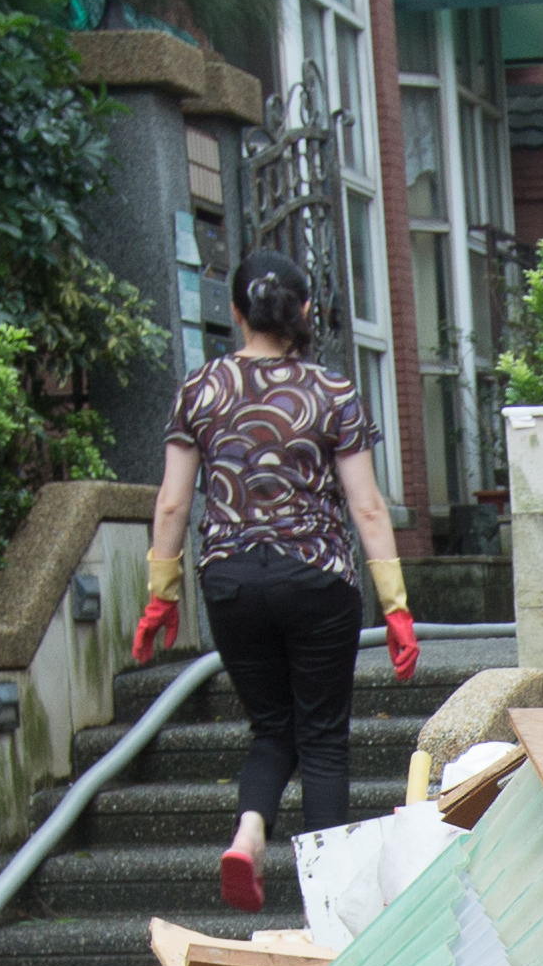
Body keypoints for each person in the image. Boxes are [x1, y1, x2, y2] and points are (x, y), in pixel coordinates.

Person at [135, 259, 416, 915]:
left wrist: (161, 592)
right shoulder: (333, 391)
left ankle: (250, 829)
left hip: (230, 580)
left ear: (236, 314)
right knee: (321, 737)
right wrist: (397, 607)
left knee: (271, 729)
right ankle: (329, 906)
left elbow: (173, 505)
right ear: (307, 313)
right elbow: (367, 507)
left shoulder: (199, 390)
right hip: (318, 580)